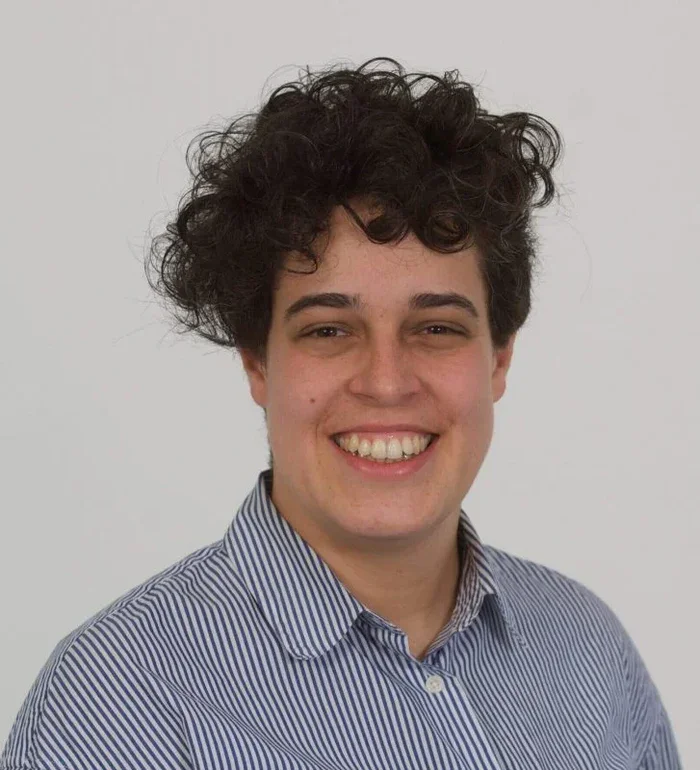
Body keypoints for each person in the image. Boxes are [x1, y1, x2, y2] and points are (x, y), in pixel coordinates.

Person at [1, 57, 682, 769]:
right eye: (328, 330)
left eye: (438, 327)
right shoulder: (115, 703)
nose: (386, 383)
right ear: (257, 362)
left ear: (499, 358)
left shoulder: (590, 654)